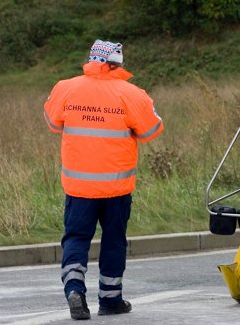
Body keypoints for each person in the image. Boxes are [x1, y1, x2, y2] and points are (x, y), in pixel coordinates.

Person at [44, 40, 164, 319]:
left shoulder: (66, 87)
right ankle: (110, 301)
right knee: (113, 240)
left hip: (79, 187)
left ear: (92, 59)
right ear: (118, 63)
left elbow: (52, 122)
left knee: (76, 238)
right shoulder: (131, 93)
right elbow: (151, 131)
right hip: (116, 187)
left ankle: (74, 289)